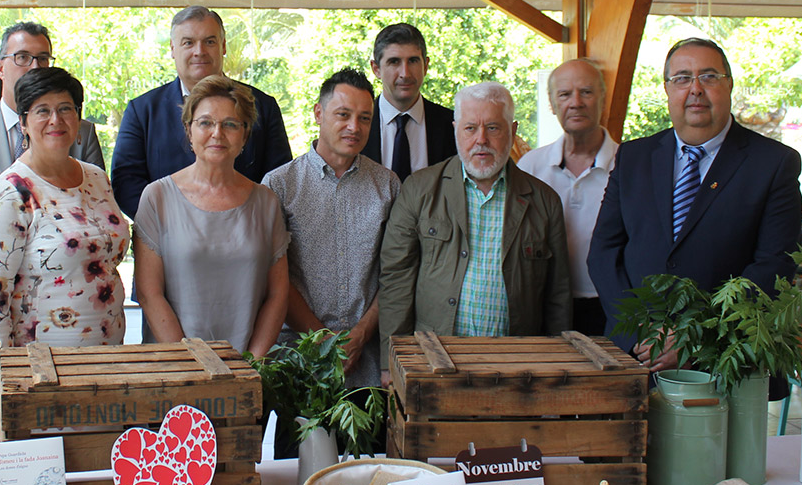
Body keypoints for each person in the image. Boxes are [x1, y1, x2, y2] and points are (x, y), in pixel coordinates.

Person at [588, 38, 802, 374]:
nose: (696, 89)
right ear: (667, 89)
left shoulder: (773, 163)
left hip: (723, 361)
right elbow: (603, 251)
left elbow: (774, 266)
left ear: (729, 85)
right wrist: (641, 332)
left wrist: (695, 338)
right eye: (682, 78)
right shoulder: (634, 157)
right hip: (635, 355)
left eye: (709, 76)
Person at [0, 67, 129, 460]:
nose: (55, 120)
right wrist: (7, 387)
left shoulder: (95, 177)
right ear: (23, 121)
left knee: (97, 482)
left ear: (79, 118)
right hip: (39, 377)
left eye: (66, 109)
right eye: (41, 110)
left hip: (104, 364)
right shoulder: (9, 192)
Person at [379, 82, 571, 367]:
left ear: (513, 130)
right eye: (470, 128)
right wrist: (390, 362)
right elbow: (396, 278)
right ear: (456, 130)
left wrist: (558, 366)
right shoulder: (419, 190)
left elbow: (558, 295)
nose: (481, 139)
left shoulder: (545, 202)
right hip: (434, 362)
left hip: (516, 368)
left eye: (493, 127)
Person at [133, 75, 290, 358]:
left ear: (245, 135)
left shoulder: (266, 202)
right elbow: (148, 293)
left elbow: (278, 295)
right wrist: (193, 364)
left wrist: (252, 363)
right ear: (188, 131)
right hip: (175, 364)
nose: (217, 133)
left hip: (246, 365)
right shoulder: (157, 197)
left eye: (230, 124)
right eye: (205, 122)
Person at [262, 68, 399, 389]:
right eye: (343, 114)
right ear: (318, 113)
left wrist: (361, 334)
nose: (354, 126)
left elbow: (396, 273)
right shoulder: (280, 185)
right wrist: (323, 341)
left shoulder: (388, 186)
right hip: (298, 361)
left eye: (365, 118)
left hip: (367, 362)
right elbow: (272, 276)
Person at [111, 5, 293, 217]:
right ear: (172, 48)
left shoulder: (263, 106)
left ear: (223, 46)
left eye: (209, 41)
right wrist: (171, 226)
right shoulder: (142, 111)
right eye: (188, 42)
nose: (199, 51)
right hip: (165, 240)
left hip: (244, 235)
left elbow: (281, 178)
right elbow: (126, 182)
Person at [517, 59, 618, 336]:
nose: (576, 102)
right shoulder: (529, 167)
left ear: (603, 98)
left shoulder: (628, 165)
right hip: (543, 306)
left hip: (611, 307)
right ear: (552, 103)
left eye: (586, 92)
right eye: (564, 94)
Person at [0, 21, 104, 188]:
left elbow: (99, 201)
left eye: (42, 59)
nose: (35, 67)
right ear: (0, 68)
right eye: (22, 57)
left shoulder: (81, 132)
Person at [361, 23, 457, 181]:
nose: (405, 73)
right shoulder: (355, 126)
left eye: (413, 61)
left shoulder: (454, 126)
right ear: (376, 69)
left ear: (425, 66)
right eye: (394, 62)